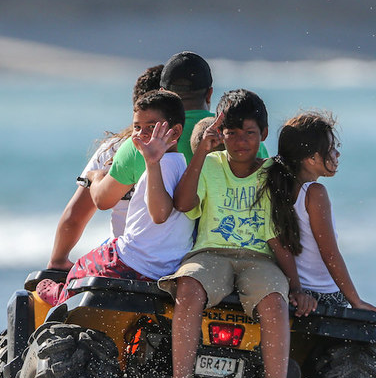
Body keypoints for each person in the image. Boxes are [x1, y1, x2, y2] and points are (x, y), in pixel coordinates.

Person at [159, 89, 314, 378]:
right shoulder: (210, 165)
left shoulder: (273, 172)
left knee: (275, 302)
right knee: (188, 286)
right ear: (219, 133)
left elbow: (277, 237)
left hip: (258, 258)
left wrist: (298, 286)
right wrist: (201, 150)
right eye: (231, 132)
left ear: (263, 133)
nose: (240, 141)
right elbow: (183, 203)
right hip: (211, 252)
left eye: (249, 133)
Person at [35, 90, 194, 306]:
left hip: (132, 261)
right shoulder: (180, 163)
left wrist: (151, 162)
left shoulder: (157, 166)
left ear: (175, 132)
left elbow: (159, 214)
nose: (141, 134)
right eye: (137, 127)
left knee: (82, 266)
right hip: (166, 266)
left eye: (151, 127)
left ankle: (61, 296)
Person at [89, 51, 268, 212]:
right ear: (209, 94)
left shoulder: (144, 142)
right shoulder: (241, 137)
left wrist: (96, 177)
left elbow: (103, 200)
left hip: (167, 245)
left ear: (162, 94)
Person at [261, 111, 376, 322]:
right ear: (311, 158)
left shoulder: (277, 188)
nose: (337, 154)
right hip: (325, 296)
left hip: (296, 292)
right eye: (330, 149)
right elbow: (329, 253)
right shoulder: (314, 193)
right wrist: (356, 301)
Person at [46, 64, 163, 270]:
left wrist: (58, 261)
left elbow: (75, 216)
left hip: (125, 259)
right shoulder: (199, 146)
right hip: (178, 260)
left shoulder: (114, 148)